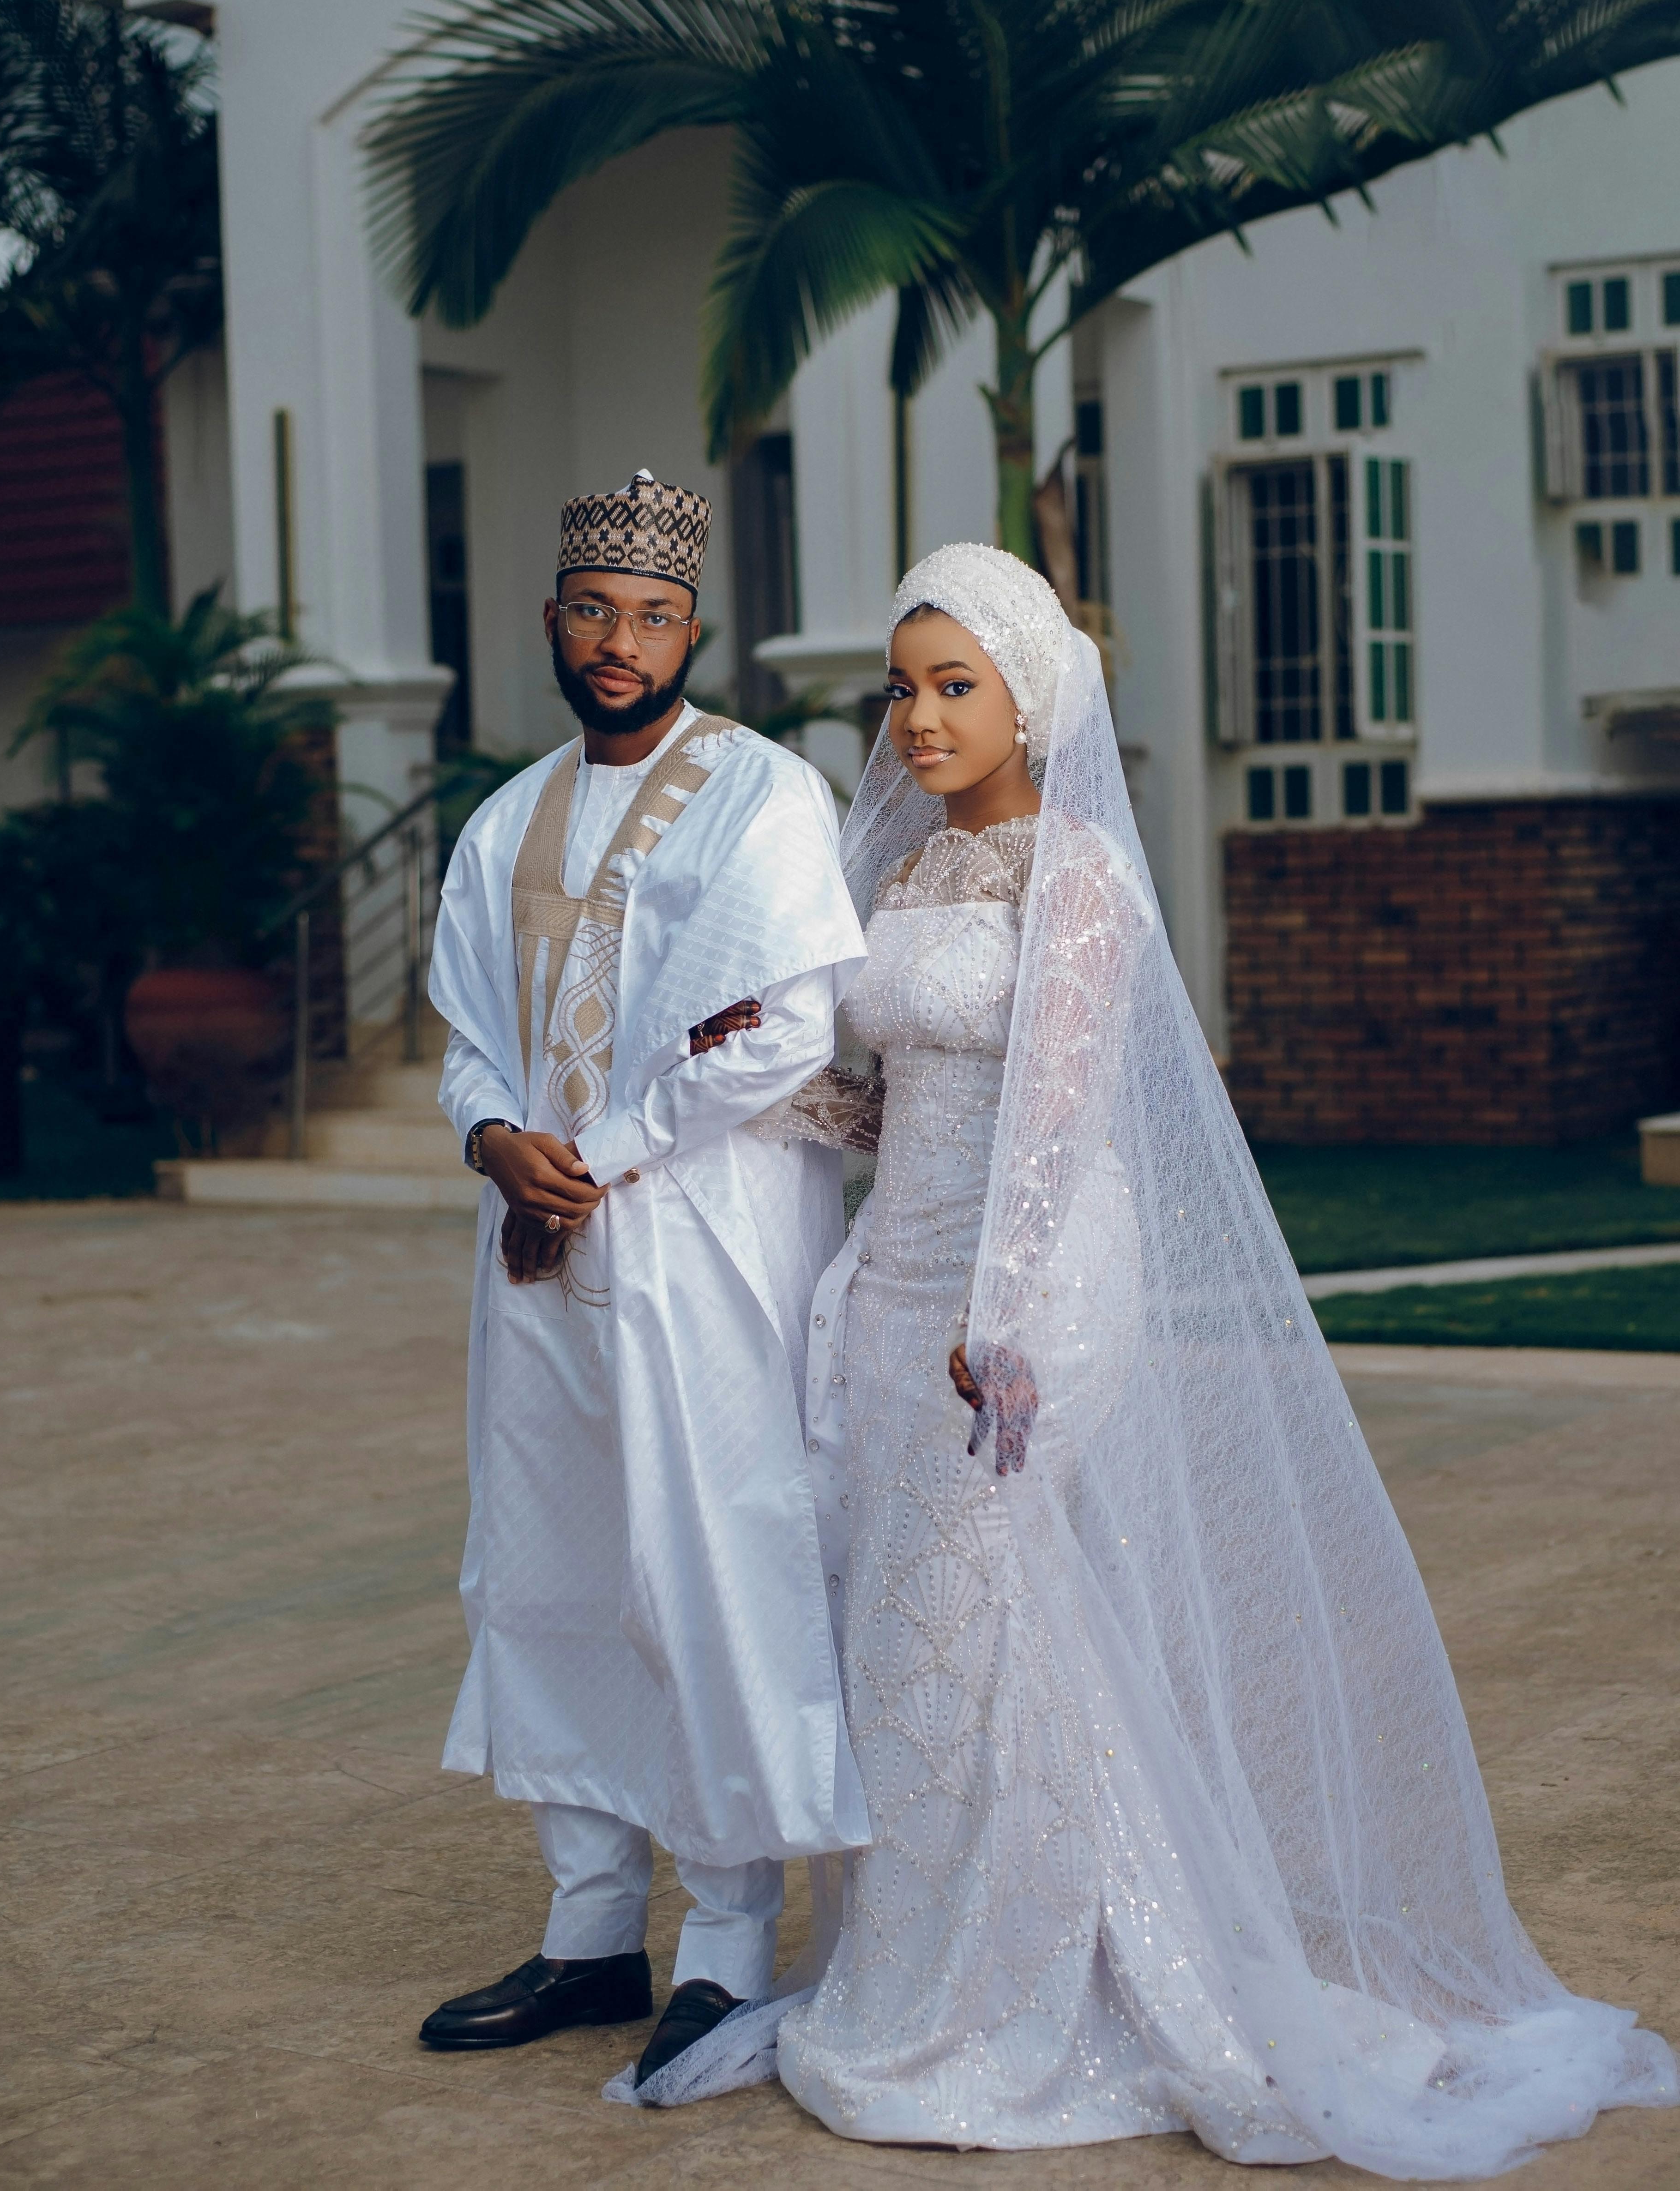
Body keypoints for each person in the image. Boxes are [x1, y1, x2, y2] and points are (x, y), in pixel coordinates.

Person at [642, 542, 1678, 2177]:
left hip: (1037, 1286)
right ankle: (941, 1971)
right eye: (902, 689)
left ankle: (1063, 1983)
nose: (919, 719)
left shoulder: (1082, 878)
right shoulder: (903, 875)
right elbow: (894, 1111)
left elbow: (1056, 1121)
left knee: (980, 1618)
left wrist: (1004, 1317)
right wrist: (765, 1089)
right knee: (918, 1640)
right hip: (901, 1281)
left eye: (957, 685)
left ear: (1034, 698)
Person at [419, 470, 871, 2085]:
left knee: (708, 1567)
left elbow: (790, 1029)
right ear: (554, 621)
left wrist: (599, 1148)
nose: (622, 640)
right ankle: (593, 1930)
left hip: (705, 1248)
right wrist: (493, 1137)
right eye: (596, 612)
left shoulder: (764, 797)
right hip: (538, 1258)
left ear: (696, 630)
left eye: (655, 616)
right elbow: (468, 1032)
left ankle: (731, 1943)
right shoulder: (502, 818)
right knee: (548, 1568)